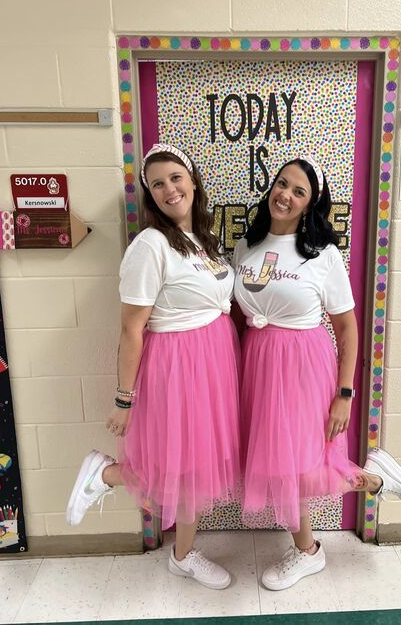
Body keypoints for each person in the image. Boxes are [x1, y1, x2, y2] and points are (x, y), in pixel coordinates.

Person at [233, 155, 401, 591]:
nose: (285, 195)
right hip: (258, 362)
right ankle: (324, 531)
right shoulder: (246, 246)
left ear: (311, 203)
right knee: (281, 461)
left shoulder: (323, 255)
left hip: (302, 364)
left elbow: (347, 327)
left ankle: (321, 537)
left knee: (300, 461)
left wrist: (345, 393)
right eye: (282, 183)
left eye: (299, 191)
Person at [66, 143, 240, 590]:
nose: (169, 189)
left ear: (193, 181)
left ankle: (182, 554)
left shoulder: (203, 239)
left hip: (212, 364)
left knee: (195, 464)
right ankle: (105, 474)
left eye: (176, 178)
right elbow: (131, 330)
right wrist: (124, 400)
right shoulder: (150, 245)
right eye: (158, 184)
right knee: (180, 464)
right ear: (150, 195)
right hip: (178, 367)